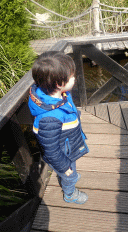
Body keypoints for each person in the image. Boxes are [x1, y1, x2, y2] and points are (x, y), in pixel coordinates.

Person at [28, 51, 89, 204]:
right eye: (72, 76)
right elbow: (50, 149)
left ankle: (68, 175)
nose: (75, 78)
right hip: (64, 153)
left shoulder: (57, 94)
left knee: (69, 172)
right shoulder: (50, 118)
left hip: (67, 142)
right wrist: (64, 167)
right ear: (58, 83)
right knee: (70, 175)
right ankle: (70, 194)